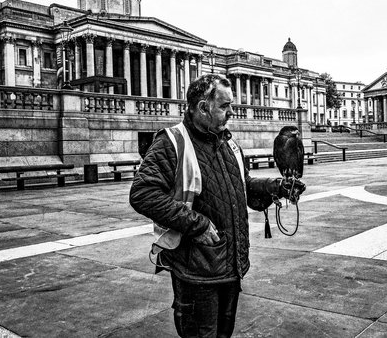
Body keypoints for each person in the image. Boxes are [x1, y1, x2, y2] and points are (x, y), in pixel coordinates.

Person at [129, 74, 305, 338]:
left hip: (230, 266)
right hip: (197, 271)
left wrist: (276, 187)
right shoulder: (172, 142)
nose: (231, 112)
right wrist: (197, 224)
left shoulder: (228, 143)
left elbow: (243, 187)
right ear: (202, 107)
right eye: (224, 106)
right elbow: (142, 193)